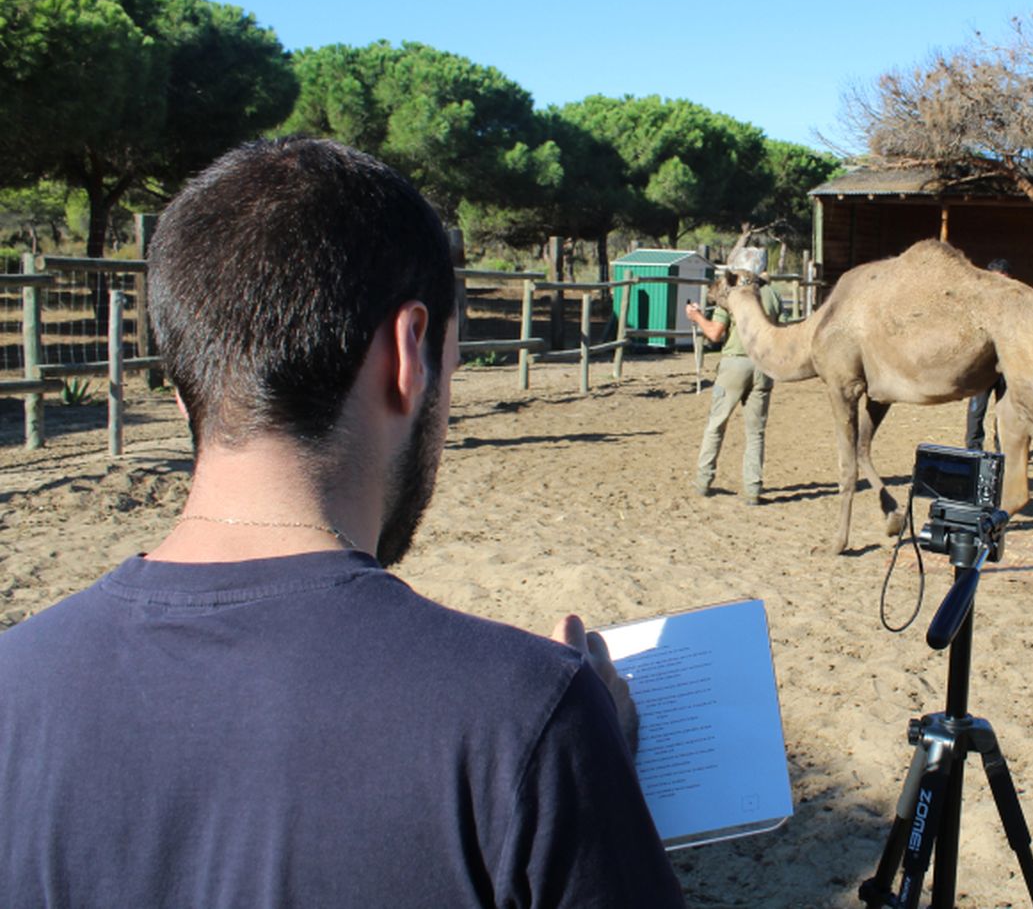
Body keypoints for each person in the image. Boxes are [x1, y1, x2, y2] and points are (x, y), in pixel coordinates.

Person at [0, 138, 684, 908]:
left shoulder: (13, 686)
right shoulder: (524, 717)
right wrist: (598, 769)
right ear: (408, 354)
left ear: (187, 375)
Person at [684, 246, 783, 505]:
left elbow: (715, 333)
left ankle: (704, 481)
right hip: (763, 366)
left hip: (733, 365)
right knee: (756, 432)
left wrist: (696, 317)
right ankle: (753, 489)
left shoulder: (732, 294)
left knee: (716, 424)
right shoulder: (772, 295)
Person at [966, 257, 1014, 452]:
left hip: (1008, 364)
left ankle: (1003, 446)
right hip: (983, 365)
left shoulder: (1016, 303)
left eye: (1003, 278)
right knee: (977, 408)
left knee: (1007, 409)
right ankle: (973, 447)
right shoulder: (978, 304)